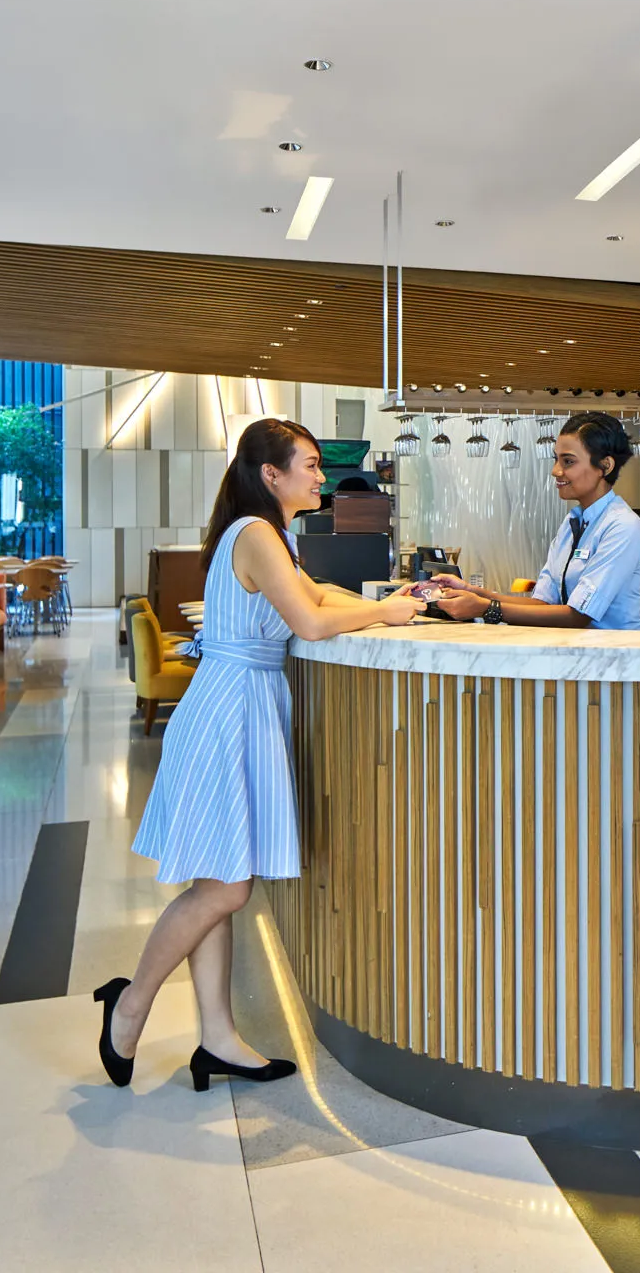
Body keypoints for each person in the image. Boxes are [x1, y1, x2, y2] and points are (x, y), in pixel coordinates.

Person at [93, 418, 424, 1090]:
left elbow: (317, 595)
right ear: (271, 474)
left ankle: (217, 1038)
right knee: (227, 887)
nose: (322, 476)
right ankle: (128, 1005)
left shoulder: (270, 535)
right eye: (310, 464)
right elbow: (310, 621)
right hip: (226, 715)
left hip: (239, 708)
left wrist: (387, 598)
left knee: (216, 882)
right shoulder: (255, 533)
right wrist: (384, 614)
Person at [433, 412, 640, 630]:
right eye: (556, 460)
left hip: (616, 650)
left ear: (605, 466)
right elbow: (543, 604)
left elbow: (578, 616)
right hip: (576, 648)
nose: (556, 471)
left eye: (568, 461)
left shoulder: (622, 526)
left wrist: (486, 608)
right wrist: (474, 592)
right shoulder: (572, 522)